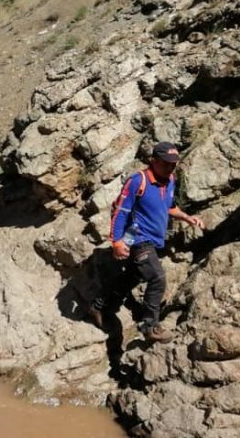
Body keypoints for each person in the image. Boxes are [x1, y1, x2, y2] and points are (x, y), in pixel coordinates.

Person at [88, 142, 205, 343]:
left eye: (174, 164)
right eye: (166, 163)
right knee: (157, 277)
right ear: (154, 160)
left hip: (155, 241)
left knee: (132, 277)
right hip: (138, 239)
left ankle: (98, 306)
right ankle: (150, 326)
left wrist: (187, 217)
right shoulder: (138, 181)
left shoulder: (170, 180)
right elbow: (120, 212)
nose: (171, 167)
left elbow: (169, 206)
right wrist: (116, 242)